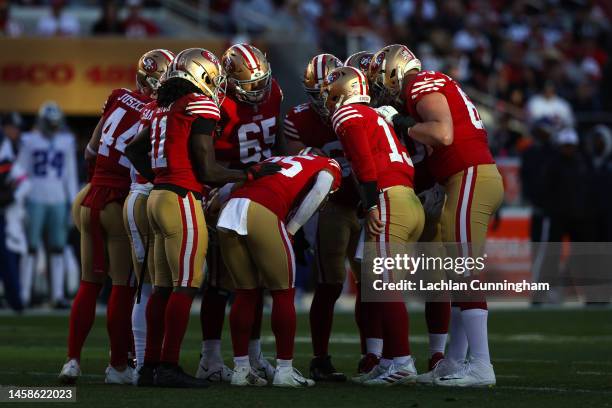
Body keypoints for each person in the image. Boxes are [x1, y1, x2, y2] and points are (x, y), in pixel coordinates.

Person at [125, 48, 280, 388]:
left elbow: (133, 149)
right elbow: (209, 168)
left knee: (163, 287)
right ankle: (166, 365)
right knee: (185, 286)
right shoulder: (200, 104)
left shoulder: (162, 107)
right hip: (180, 198)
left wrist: (164, 171)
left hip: (155, 196)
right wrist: (248, 175)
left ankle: (149, 366)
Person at [371, 44, 504, 387]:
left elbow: (443, 133)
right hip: (464, 178)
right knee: (458, 274)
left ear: (393, 73)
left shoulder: (421, 83)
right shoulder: (430, 83)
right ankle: (455, 362)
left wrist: (400, 121)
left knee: (464, 271)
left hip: (470, 175)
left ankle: (481, 366)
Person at [58, 49, 169, 385]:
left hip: (90, 196)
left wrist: (98, 180)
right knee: (122, 286)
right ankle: (118, 365)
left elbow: (91, 149)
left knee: (90, 283)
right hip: (118, 201)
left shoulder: (119, 96)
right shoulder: (158, 112)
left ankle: (72, 361)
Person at [322, 66, 424, 386]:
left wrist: (371, 205)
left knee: (385, 285)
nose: (328, 99)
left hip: (389, 199)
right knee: (380, 285)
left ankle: (403, 362)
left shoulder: (348, 115)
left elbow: (365, 165)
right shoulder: (376, 115)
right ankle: (391, 359)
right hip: (409, 199)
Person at [197, 43, 283, 383]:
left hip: (259, 188)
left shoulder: (273, 91)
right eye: (250, 84)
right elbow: (201, 155)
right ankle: (211, 356)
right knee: (220, 281)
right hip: (224, 188)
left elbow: (274, 142)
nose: (259, 90)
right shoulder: (216, 101)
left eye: (262, 81)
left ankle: (254, 354)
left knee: (256, 282)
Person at [216, 154, 342, 387]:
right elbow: (319, 190)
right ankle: (285, 370)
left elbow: (228, 188)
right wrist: (292, 229)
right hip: (264, 209)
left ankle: (241, 370)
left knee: (245, 292)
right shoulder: (326, 163)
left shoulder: (276, 158)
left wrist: (214, 208)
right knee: (283, 291)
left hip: (230, 210)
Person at [284, 53, 358, 382]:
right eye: (318, 93)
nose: (326, 100)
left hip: (365, 202)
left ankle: (377, 354)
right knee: (330, 283)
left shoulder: (362, 110)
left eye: (330, 91)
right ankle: (320, 357)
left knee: (374, 284)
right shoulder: (298, 119)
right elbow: (301, 173)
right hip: (329, 205)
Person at [122, 49, 174, 383]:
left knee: (154, 284)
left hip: (143, 195)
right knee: (147, 285)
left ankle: (145, 359)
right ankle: (142, 361)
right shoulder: (162, 111)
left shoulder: (151, 109)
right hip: (145, 195)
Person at [17, 102, 78, 309]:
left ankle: (58, 295)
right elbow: (22, 171)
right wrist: (21, 202)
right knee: (31, 248)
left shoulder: (66, 141)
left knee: (58, 248)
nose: (52, 127)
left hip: (58, 199)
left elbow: (70, 175)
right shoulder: (29, 141)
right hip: (35, 197)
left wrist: (72, 202)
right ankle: (24, 294)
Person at [0, 112, 27, 312]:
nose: (15, 131)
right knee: (7, 253)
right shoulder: (5, 143)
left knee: (9, 251)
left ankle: (16, 299)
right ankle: (15, 299)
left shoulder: (10, 144)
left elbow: (8, 173)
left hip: (6, 209)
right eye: (13, 127)